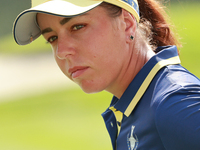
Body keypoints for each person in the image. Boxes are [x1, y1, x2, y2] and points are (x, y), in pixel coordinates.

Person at [13, 0, 200, 149]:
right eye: (52, 38)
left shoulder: (175, 102)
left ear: (126, 24)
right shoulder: (135, 106)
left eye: (77, 27)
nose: (61, 51)